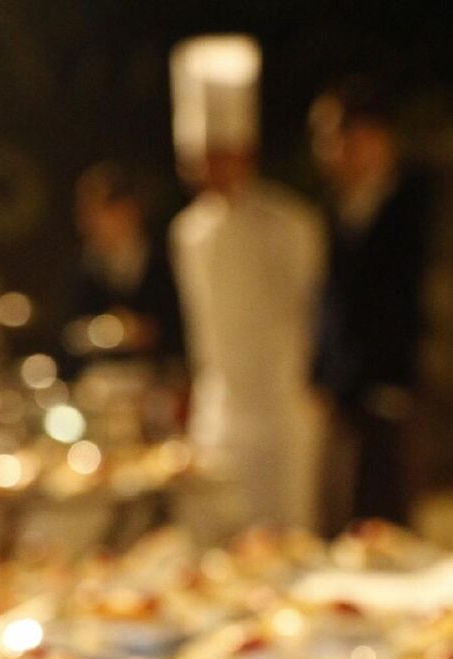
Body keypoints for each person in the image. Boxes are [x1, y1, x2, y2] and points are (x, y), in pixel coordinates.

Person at [168, 35, 322, 531]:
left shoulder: (291, 224)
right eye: (199, 157)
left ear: (245, 152)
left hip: (280, 407)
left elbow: (313, 314)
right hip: (217, 412)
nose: (209, 168)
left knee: (285, 534)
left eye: (219, 154)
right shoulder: (187, 233)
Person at [309, 74, 431, 533]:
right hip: (343, 395)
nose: (326, 151)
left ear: (371, 137)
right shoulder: (334, 212)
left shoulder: (416, 204)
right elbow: (330, 305)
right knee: (343, 517)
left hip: (393, 391)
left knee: (388, 519)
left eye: (334, 137)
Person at [61, 163, 182, 367]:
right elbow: (66, 334)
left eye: (100, 212)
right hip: (101, 375)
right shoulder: (83, 267)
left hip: (160, 373)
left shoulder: (164, 259)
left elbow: (181, 326)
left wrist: (145, 331)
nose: (88, 223)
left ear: (129, 211)